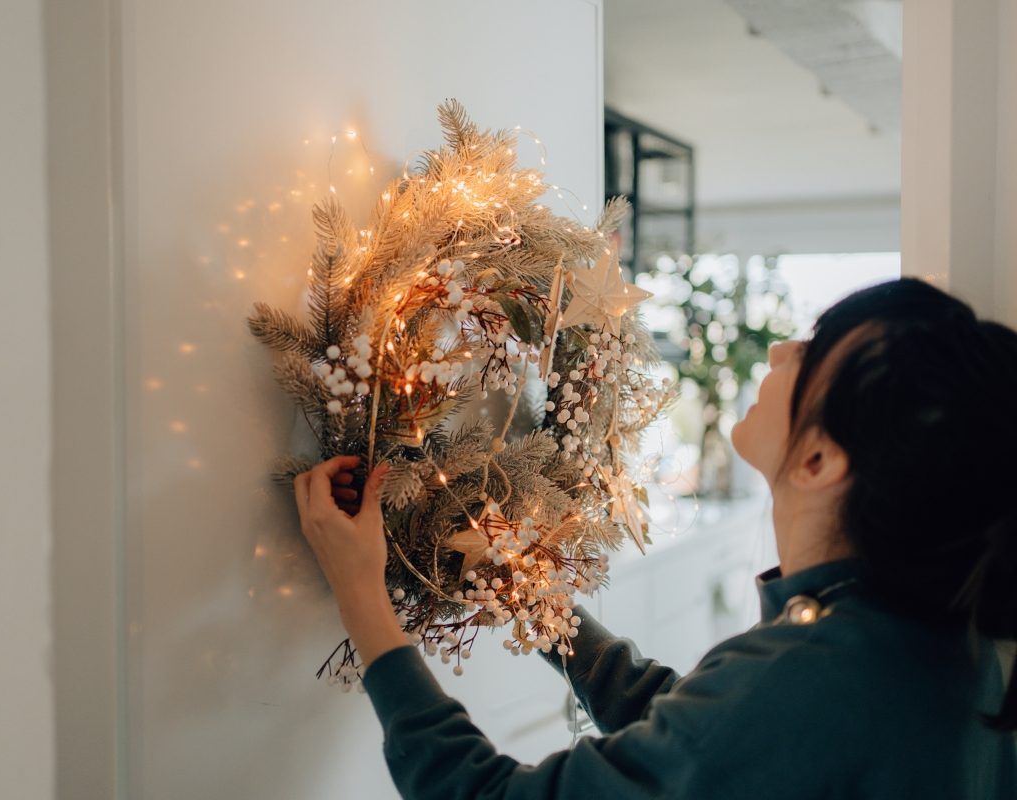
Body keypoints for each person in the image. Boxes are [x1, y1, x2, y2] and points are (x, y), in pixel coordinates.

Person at [293, 277, 1017, 798]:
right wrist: (535, 591)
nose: (778, 355)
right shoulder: (928, 638)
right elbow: (714, 747)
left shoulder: (820, 676)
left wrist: (363, 596)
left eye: (816, 350)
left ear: (822, 460)